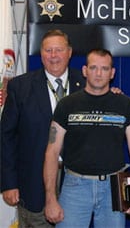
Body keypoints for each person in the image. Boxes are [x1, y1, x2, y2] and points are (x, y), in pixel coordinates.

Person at [43, 48, 130, 227]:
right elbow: (52, 152)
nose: (98, 73)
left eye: (104, 68)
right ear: (85, 71)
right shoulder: (67, 105)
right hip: (74, 186)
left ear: (112, 73)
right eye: (93, 68)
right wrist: (50, 198)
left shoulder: (125, 104)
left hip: (114, 186)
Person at [0, 29, 85, 227]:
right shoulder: (20, 87)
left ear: (69, 52)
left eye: (59, 50)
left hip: (77, 182)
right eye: (48, 50)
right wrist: (9, 183)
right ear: (41, 53)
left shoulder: (87, 85)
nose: (53, 56)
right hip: (33, 182)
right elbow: (6, 137)